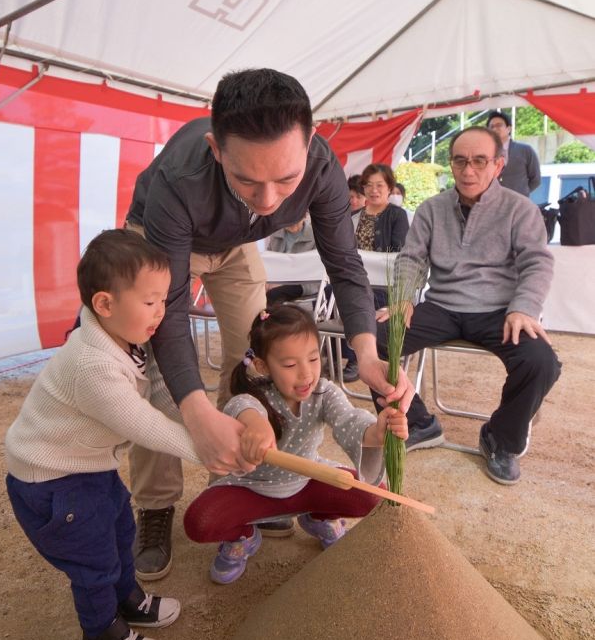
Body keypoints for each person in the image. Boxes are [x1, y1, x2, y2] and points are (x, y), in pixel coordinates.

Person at [125, 68, 413, 580]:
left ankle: (259, 481)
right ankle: (155, 505)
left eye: (286, 178)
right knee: (162, 385)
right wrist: (196, 412)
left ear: (310, 143)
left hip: (234, 245)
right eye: (246, 179)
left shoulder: (323, 169)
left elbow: (344, 265)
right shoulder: (179, 178)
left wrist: (366, 355)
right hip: (163, 243)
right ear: (216, 150)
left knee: (256, 360)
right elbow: (167, 307)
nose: (268, 200)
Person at [4, 231, 228, 640]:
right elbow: (142, 425)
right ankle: (102, 635)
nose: (161, 312)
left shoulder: (124, 338)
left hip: (88, 467)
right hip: (50, 482)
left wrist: (207, 427)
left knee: (120, 527)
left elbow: (162, 397)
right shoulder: (92, 363)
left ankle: (128, 598)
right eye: (150, 302)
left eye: (165, 300)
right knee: (93, 559)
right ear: (105, 304)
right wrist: (205, 449)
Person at [373, 126, 561, 485]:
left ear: (498, 165)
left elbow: (537, 262)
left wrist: (523, 306)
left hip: (499, 311)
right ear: (451, 164)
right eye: (460, 161)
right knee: (377, 339)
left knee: (541, 361)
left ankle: (500, 439)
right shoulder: (431, 209)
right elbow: (411, 259)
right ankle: (418, 422)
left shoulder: (520, 209)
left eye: (479, 161)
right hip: (442, 306)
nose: (468, 170)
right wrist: (402, 300)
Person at [183, 305, 408, 583]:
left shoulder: (324, 392)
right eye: (290, 365)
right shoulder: (255, 395)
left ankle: (319, 517)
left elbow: (349, 420)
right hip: (254, 490)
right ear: (263, 366)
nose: (306, 375)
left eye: (313, 359)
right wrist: (255, 423)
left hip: (308, 479)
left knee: (372, 495)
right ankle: (244, 536)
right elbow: (242, 406)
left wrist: (377, 431)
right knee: (200, 521)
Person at [341, 163, 410, 381]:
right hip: (356, 280)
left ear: (389, 187)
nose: (374, 190)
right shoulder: (353, 216)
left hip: (384, 286)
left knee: (371, 303)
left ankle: (360, 357)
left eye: (380, 185)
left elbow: (398, 254)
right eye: (368, 185)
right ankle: (354, 355)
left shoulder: (397, 215)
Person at [265, 214, 321, 305]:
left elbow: (315, 268)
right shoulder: (275, 234)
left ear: (304, 215)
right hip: (277, 281)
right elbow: (268, 261)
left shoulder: (315, 236)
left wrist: (280, 284)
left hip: (305, 283)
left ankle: (274, 318)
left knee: (273, 294)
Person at [486, 110, 541, 196]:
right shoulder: (485, 152)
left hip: (519, 205)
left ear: (509, 129)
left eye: (499, 125)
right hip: (492, 204)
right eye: (491, 127)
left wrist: (522, 193)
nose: (494, 129)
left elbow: (536, 180)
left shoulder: (525, 150)